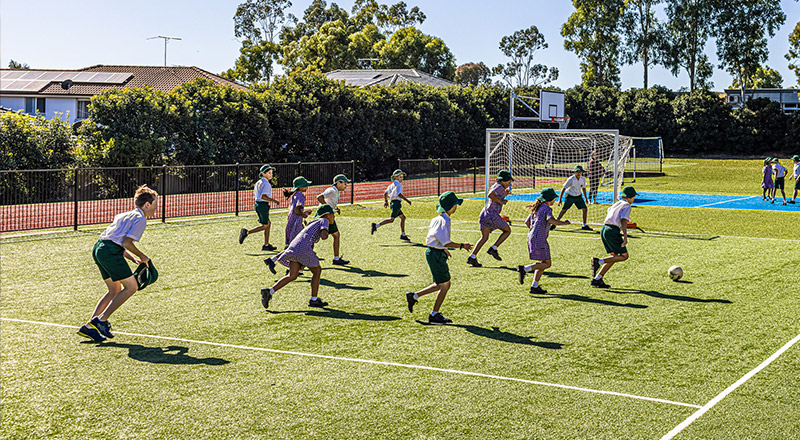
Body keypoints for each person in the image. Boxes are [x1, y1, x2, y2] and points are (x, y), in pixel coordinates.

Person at [77, 185, 159, 342]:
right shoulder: (140, 219)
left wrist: (132, 259)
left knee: (114, 289)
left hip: (99, 248)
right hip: (110, 253)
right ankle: (101, 320)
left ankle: (89, 327)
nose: (156, 208)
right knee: (132, 287)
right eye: (155, 204)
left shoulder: (124, 215)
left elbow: (116, 239)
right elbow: (127, 242)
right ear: (147, 204)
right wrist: (143, 257)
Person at [405, 191, 473, 324]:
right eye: (455, 205)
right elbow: (445, 241)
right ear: (452, 206)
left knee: (441, 284)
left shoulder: (437, 219)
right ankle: (434, 314)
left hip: (435, 252)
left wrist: (444, 249)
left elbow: (437, 238)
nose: (457, 207)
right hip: (436, 254)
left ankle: (414, 296)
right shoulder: (444, 221)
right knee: (446, 284)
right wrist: (461, 245)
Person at [262, 205, 336, 309]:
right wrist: (326, 232)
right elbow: (324, 236)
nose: (334, 217)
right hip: (303, 247)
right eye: (333, 214)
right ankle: (314, 299)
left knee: (292, 275)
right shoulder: (324, 221)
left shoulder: (313, 222)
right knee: (317, 271)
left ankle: (269, 291)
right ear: (328, 215)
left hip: (294, 245)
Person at [517, 188, 571, 294]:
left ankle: (534, 286)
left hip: (531, 237)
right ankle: (525, 269)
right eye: (554, 199)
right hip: (539, 239)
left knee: (542, 262)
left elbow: (526, 222)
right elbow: (550, 220)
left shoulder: (536, 208)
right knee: (547, 264)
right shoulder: (546, 208)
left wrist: (534, 231)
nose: (554, 201)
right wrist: (563, 223)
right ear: (550, 199)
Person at [590, 186, 638, 288]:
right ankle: (599, 261)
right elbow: (623, 220)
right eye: (633, 197)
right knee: (624, 256)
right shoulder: (627, 205)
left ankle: (597, 279)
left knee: (614, 257)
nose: (633, 199)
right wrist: (625, 236)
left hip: (604, 229)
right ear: (630, 197)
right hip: (612, 230)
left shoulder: (617, 203)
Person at [467, 170, 513, 267]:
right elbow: (491, 195)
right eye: (508, 182)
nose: (509, 184)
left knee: (484, 237)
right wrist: (501, 201)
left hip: (485, 213)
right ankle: (493, 248)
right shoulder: (499, 186)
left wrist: (504, 195)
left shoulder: (497, 186)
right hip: (492, 214)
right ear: (503, 181)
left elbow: (494, 196)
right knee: (507, 231)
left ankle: (472, 257)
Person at [239, 164, 280, 251]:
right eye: (269, 173)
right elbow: (263, 196)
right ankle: (246, 232)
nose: (271, 174)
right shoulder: (266, 184)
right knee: (265, 225)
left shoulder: (259, 182)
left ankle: (266, 244)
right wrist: (273, 200)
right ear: (263, 173)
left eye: (271, 173)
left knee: (268, 224)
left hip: (258, 204)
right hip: (262, 205)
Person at [317, 174, 351, 265]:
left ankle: (336, 258)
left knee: (335, 235)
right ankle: (301, 260)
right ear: (338, 183)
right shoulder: (331, 190)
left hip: (328, 215)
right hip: (324, 216)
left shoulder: (335, 191)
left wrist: (335, 208)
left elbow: (329, 202)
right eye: (345, 183)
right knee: (314, 237)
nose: (346, 186)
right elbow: (319, 197)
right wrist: (328, 209)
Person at [371, 169, 412, 240]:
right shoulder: (399, 185)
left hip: (393, 203)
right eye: (400, 177)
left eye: (402, 177)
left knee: (403, 217)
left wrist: (386, 201)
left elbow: (385, 193)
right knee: (391, 219)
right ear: (395, 177)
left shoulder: (391, 185)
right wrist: (407, 200)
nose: (402, 178)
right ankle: (376, 225)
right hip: (396, 203)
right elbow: (399, 194)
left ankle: (403, 234)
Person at [554, 165, 592, 231]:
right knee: (564, 210)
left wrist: (586, 198)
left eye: (579, 171)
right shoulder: (571, 179)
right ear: (574, 172)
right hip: (570, 196)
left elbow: (584, 188)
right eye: (576, 171)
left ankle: (584, 225)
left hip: (578, 196)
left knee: (585, 209)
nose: (578, 173)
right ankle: (555, 223)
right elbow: (563, 189)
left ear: (582, 172)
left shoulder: (582, 179)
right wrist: (559, 199)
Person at [283, 176, 313, 247]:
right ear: (300, 187)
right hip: (296, 222)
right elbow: (297, 210)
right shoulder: (300, 195)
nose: (307, 187)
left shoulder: (294, 195)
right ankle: (308, 255)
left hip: (291, 221)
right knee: (305, 238)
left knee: (292, 241)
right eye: (305, 185)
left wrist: (304, 212)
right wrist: (304, 215)